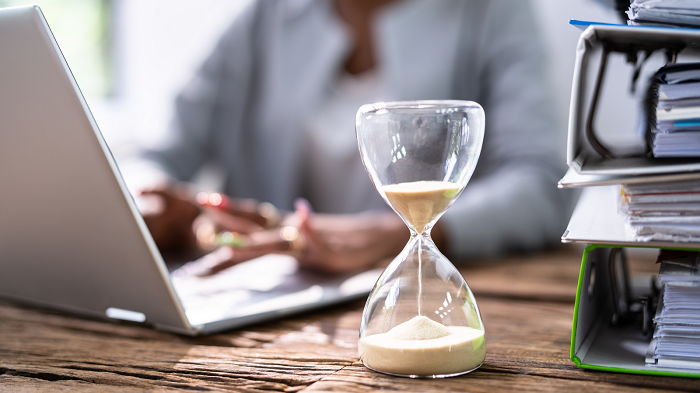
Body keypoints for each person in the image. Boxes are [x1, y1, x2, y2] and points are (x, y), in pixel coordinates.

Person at [132, 0, 573, 275]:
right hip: (263, 292)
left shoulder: (490, 11)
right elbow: (158, 155)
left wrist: (388, 234)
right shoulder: (264, 15)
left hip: (413, 276)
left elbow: (539, 182)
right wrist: (155, 204)